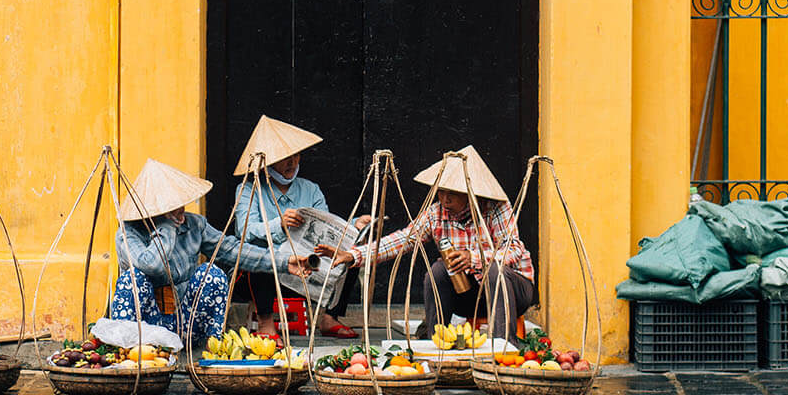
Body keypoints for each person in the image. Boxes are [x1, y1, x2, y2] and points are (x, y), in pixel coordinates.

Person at [321, 145, 535, 343]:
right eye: (441, 191)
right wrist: (353, 255)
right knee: (438, 270)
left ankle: (503, 348)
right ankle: (437, 344)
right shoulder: (436, 214)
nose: (445, 200)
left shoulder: (496, 208)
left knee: (494, 271)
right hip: (470, 296)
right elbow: (401, 240)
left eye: (453, 194)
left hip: (512, 292)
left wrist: (474, 257)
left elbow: (513, 249)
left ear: (471, 193)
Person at [107, 158, 310, 343]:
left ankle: (210, 346)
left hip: (184, 322)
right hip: (142, 330)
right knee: (131, 280)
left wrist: (284, 261)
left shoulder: (194, 225)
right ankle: (127, 351)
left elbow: (232, 249)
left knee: (211, 273)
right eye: (173, 206)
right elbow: (151, 265)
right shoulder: (129, 233)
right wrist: (165, 228)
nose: (181, 209)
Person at [226, 115, 367, 339]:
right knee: (262, 256)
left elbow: (328, 227)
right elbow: (243, 230)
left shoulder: (310, 190)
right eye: (285, 158)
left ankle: (330, 317)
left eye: (296, 155)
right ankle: (265, 323)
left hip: (304, 272)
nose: (292, 162)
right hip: (262, 277)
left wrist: (355, 226)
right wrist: (278, 225)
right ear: (268, 162)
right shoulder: (249, 189)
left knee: (350, 255)